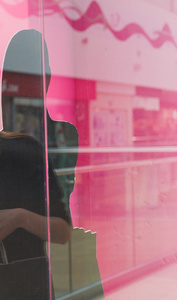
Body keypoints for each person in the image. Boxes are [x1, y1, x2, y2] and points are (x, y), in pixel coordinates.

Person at [0, 29, 73, 299]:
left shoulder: (30, 146)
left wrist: (18, 217)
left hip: (29, 275)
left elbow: (63, 229)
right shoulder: (22, 146)